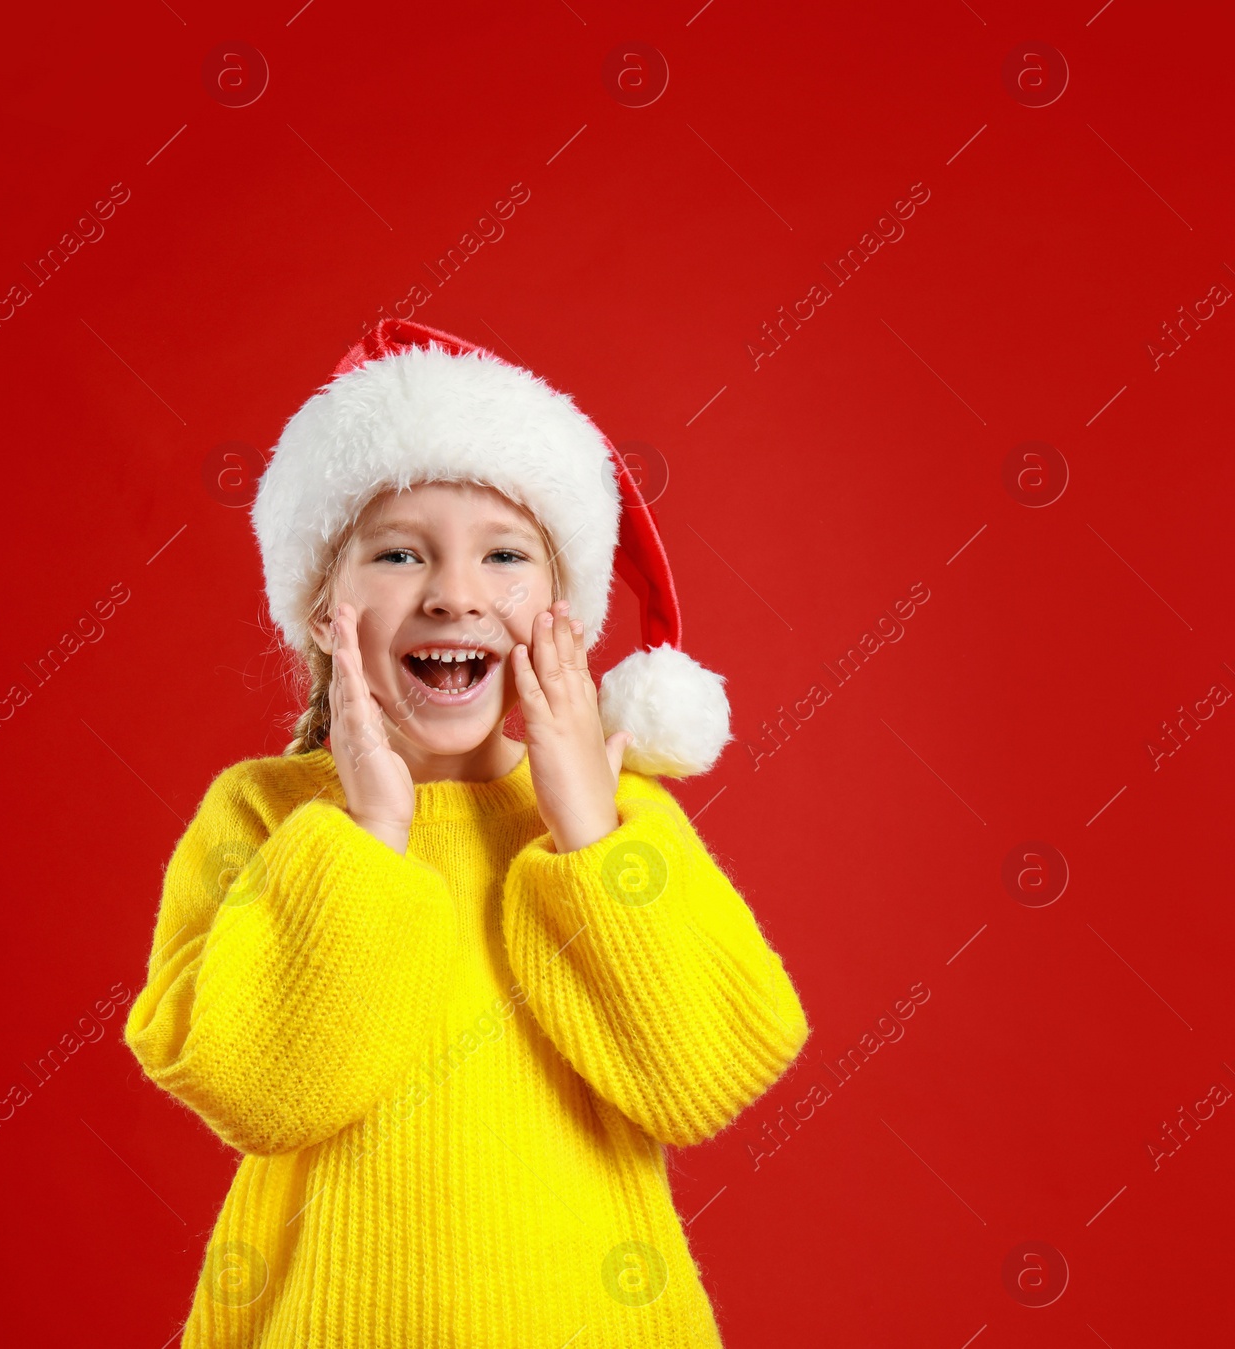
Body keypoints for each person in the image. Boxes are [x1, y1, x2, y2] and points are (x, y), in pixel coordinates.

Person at [123, 318, 811, 1347]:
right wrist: (367, 832)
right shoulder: (264, 813)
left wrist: (584, 824)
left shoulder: (618, 819)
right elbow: (255, 1091)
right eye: (399, 552)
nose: (453, 592)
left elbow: (707, 1072)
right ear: (323, 608)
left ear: (559, 612)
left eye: (504, 554)